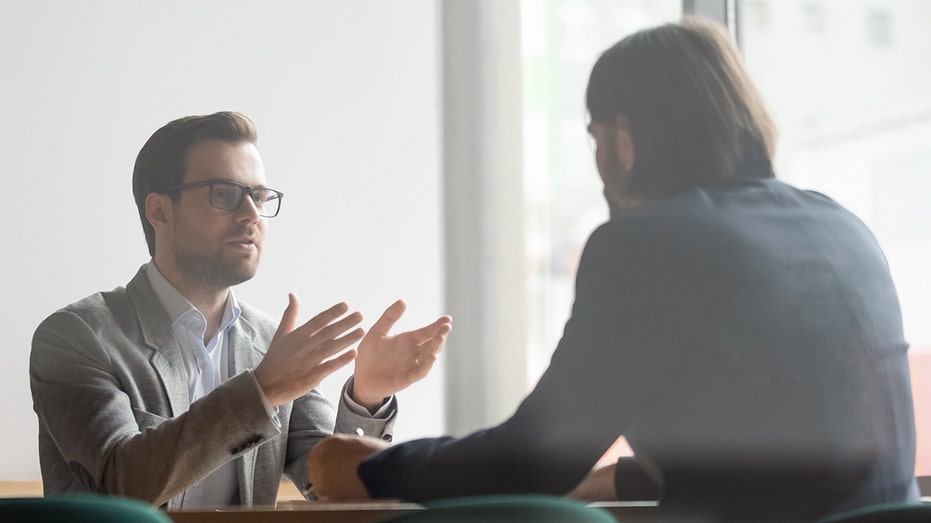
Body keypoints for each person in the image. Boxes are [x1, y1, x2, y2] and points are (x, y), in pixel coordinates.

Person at [305, 17, 920, 521]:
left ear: (626, 136)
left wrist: (373, 467)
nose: (598, 160)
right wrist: (618, 477)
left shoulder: (645, 245)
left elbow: (534, 459)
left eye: (595, 135)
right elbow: (789, 437)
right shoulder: (843, 226)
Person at [29, 111, 452, 510]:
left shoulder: (271, 343)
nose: (251, 214)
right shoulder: (76, 336)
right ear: (159, 211)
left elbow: (330, 489)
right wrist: (263, 389)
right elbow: (121, 483)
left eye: (260, 196)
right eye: (225, 194)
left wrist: (367, 397)